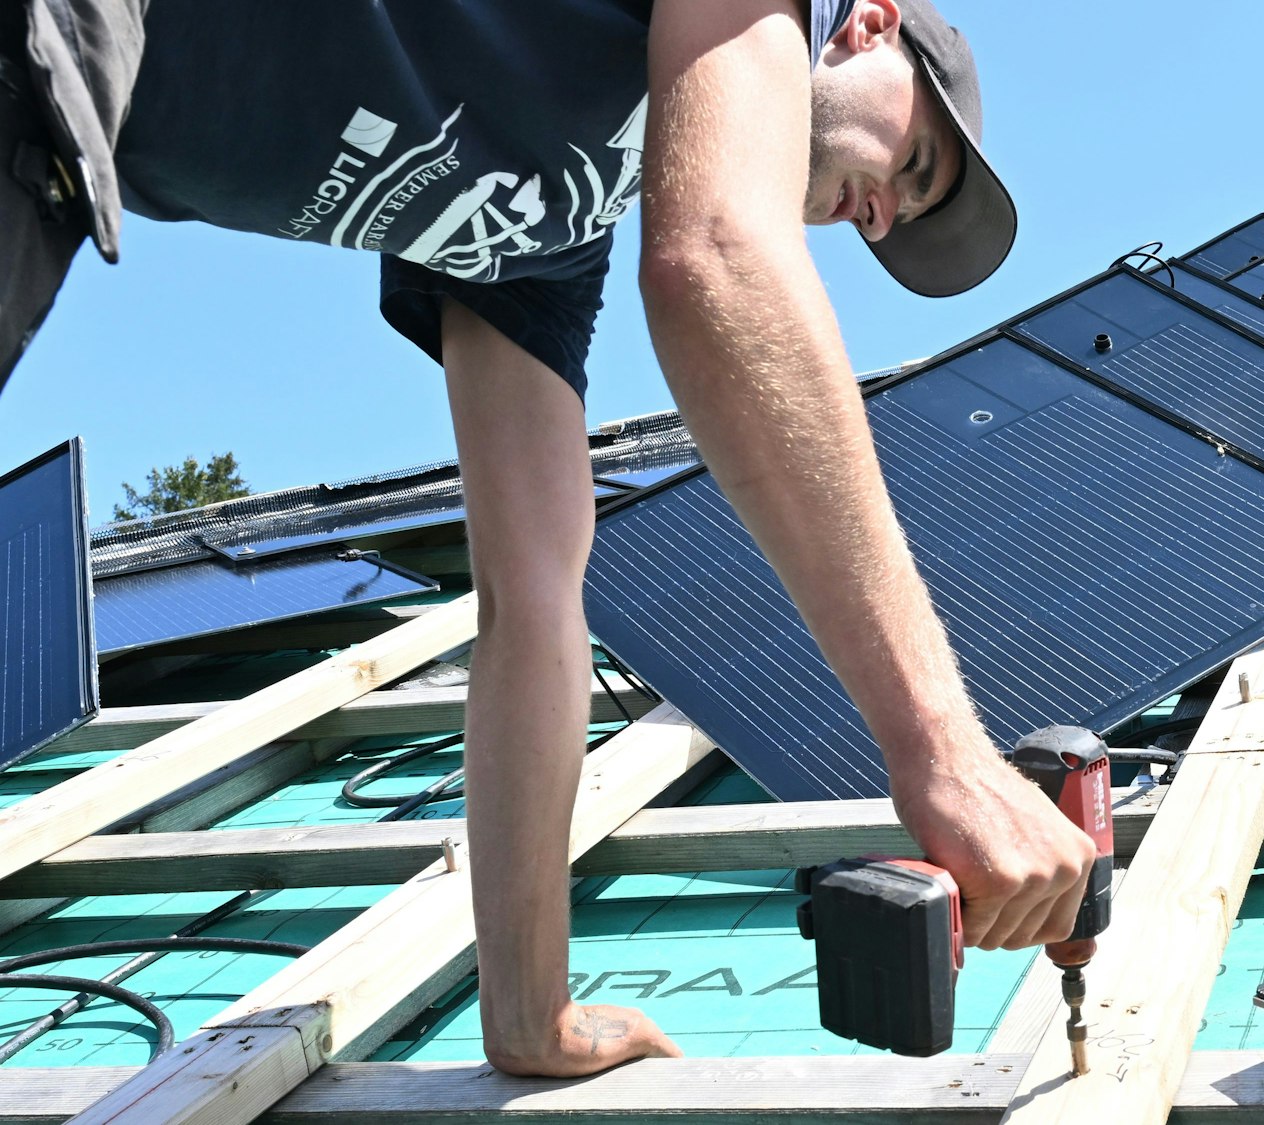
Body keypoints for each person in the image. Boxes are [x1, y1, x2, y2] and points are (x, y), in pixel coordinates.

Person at [2, 0, 1098, 1078]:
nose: (879, 216)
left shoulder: (552, 234)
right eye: (915, 166)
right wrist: (944, 755)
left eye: (896, 224)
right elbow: (716, 255)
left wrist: (528, 1013)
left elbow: (531, 610)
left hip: (48, 141)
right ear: (868, 22)